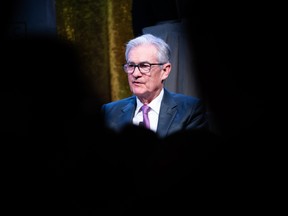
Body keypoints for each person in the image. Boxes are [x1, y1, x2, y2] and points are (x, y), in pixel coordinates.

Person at [101, 33, 208, 138]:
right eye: (131, 65)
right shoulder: (109, 112)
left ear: (165, 71)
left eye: (144, 66)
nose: (135, 73)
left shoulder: (190, 110)